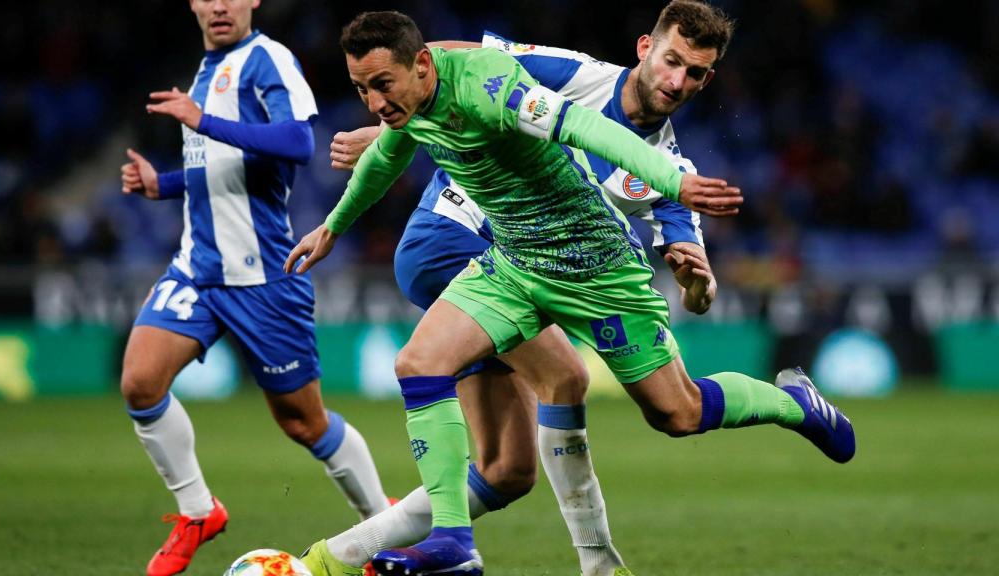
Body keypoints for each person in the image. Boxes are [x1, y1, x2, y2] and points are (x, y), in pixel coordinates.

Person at [287, 6, 854, 575]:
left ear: (709, 81)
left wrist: (693, 276)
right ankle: (455, 544)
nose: (676, 81)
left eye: (696, 73)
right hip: (511, 258)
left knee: (674, 413)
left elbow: (595, 143)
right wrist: (391, 112)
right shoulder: (571, 75)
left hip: (597, 272)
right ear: (644, 49)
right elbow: (439, 76)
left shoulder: (667, 168)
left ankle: (791, 403)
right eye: (671, 61)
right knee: (420, 364)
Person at [118, 1, 390, 574]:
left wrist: (201, 121)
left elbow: (297, 144)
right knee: (141, 382)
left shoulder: (268, 59)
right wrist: (160, 184)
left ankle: (381, 531)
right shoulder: (204, 69)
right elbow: (218, 168)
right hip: (197, 267)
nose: (218, 5)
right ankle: (198, 512)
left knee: (304, 422)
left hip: (262, 276)